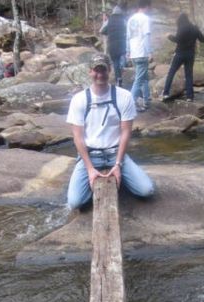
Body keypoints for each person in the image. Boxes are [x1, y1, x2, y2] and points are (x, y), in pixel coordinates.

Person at [66, 53, 154, 210]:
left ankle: (121, 177)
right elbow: (78, 138)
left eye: (104, 70)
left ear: (110, 70)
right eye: (96, 70)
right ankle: (93, 178)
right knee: (75, 203)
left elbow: (126, 132)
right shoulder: (79, 100)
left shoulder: (124, 97)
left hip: (116, 155)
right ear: (89, 71)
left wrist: (118, 164)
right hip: (90, 156)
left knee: (147, 190)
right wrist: (90, 169)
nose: (100, 75)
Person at [162, 12, 204, 102]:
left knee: (171, 73)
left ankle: (165, 94)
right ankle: (190, 97)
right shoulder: (194, 28)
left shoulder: (182, 28)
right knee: (188, 75)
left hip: (180, 54)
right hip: (190, 55)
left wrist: (168, 36)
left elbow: (177, 39)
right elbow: (203, 39)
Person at [126, 0, 152, 112]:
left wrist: (128, 51)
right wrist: (150, 51)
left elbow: (128, 37)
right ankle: (129, 103)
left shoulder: (131, 19)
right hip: (142, 52)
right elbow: (146, 37)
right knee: (139, 79)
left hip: (134, 52)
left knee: (144, 77)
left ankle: (146, 100)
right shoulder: (145, 19)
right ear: (146, 6)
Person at [100, 3, 127, 87]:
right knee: (122, 60)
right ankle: (122, 70)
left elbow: (101, 31)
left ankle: (118, 79)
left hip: (112, 45)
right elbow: (128, 30)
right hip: (122, 44)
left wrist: (108, 32)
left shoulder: (109, 20)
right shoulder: (123, 20)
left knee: (115, 62)